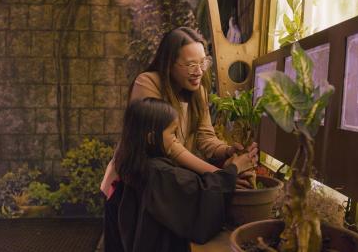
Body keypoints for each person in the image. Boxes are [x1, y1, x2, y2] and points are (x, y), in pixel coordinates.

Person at [101, 27, 258, 197]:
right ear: (169, 64)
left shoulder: (198, 91)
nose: (199, 72)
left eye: (203, 63)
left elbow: (205, 137)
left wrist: (226, 151)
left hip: (167, 183)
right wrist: (222, 176)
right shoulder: (147, 83)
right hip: (135, 185)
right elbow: (168, 144)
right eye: (191, 65)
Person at [104, 98, 255, 252]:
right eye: (172, 133)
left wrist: (226, 169)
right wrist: (234, 168)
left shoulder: (134, 164)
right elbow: (201, 193)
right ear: (151, 138)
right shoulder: (159, 173)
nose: (175, 140)